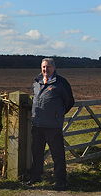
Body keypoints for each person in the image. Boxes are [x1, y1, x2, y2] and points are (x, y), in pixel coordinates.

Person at [28, 58, 75, 191]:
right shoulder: (37, 82)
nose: (45, 70)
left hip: (53, 126)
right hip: (37, 124)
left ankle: (60, 181)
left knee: (57, 154)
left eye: (48, 67)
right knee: (36, 152)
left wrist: (57, 114)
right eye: (43, 67)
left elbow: (69, 101)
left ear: (54, 68)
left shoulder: (61, 83)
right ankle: (35, 177)